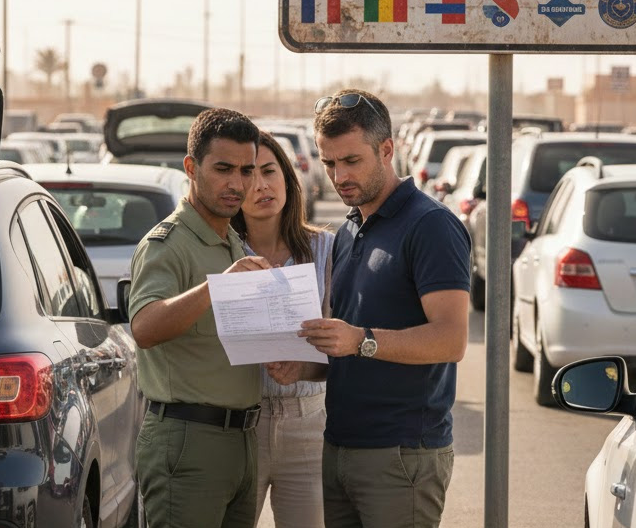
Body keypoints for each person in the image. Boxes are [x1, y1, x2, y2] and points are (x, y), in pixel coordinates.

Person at [268, 89, 471, 528]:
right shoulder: (349, 228)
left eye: (351, 161)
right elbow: (350, 348)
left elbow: (451, 339)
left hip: (402, 456)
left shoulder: (431, 225)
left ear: (387, 150)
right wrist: (305, 368)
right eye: (328, 163)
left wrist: (360, 339)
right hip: (340, 447)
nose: (339, 175)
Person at [128, 107, 272, 528]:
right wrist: (218, 286)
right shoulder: (167, 245)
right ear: (191, 167)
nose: (237, 183)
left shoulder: (232, 243)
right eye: (223, 169)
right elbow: (145, 327)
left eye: (247, 171)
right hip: (188, 441)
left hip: (241, 442)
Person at [230, 131, 334, 528]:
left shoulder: (327, 249)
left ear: (288, 179)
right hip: (239, 427)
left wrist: (303, 369)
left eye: (270, 171)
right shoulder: (224, 253)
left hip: (309, 423)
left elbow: (341, 346)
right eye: (248, 176)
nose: (261, 186)